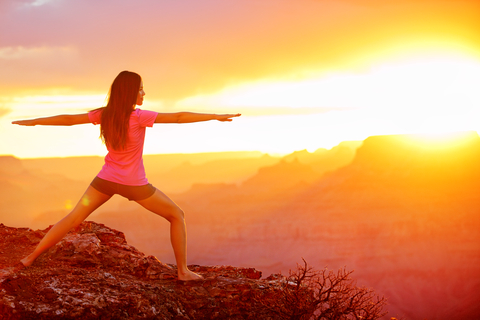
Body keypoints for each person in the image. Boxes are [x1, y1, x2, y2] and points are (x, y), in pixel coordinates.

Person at [12, 70, 241, 281]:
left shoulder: (105, 114)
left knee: (72, 218)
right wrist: (214, 116)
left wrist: (34, 122)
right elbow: (179, 117)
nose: (143, 93)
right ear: (130, 91)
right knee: (176, 215)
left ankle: (30, 258)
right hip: (134, 185)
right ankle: (183, 271)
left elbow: (69, 120)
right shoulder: (139, 116)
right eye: (141, 88)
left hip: (105, 180)